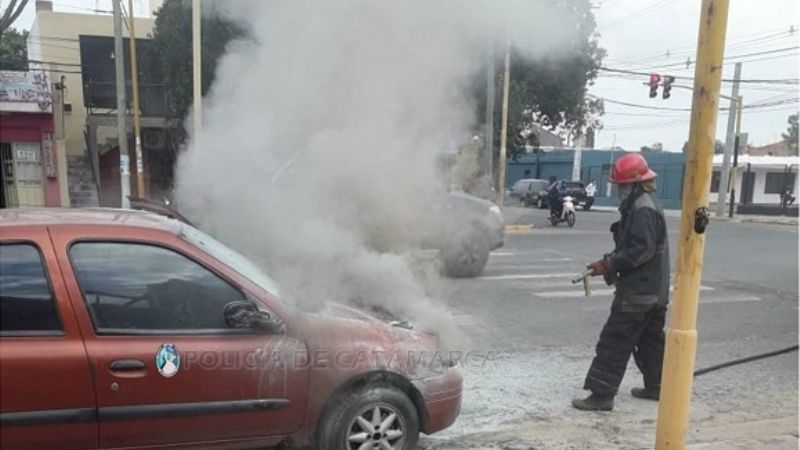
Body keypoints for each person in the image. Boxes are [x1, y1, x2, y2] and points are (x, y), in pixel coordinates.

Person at [572, 153, 670, 411]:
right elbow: (636, 248)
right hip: (654, 291)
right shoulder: (643, 204)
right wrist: (607, 262)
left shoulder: (642, 209)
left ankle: (602, 395)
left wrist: (610, 264)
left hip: (639, 293)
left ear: (634, 184)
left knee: (614, 340)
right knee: (650, 341)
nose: (618, 190)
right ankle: (657, 387)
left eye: (621, 185)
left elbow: (641, 250)